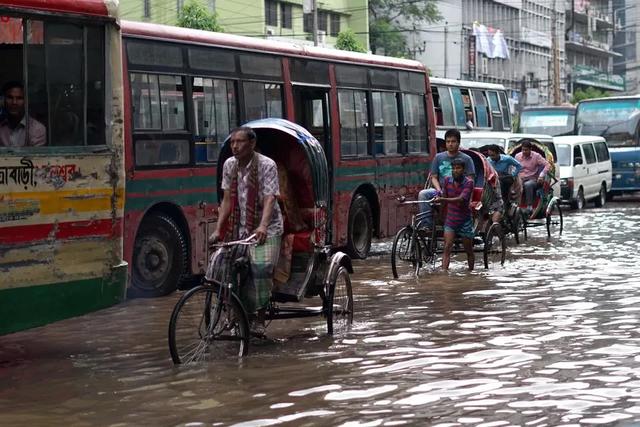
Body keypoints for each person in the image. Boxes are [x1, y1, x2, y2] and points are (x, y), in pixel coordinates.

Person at [210, 126, 283, 336]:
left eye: (240, 142)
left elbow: (270, 198)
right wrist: (218, 230)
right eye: (232, 142)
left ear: (251, 144)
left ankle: (259, 317)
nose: (235, 146)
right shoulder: (229, 165)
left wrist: (262, 225)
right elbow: (226, 200)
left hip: (268, 228)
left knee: (260, 268)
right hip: (239, 228)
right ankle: (233, 313)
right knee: (222, 267)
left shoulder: (267, 165)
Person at [417, 129, 475, 228]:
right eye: (448, 142)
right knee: (423, 194)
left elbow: (471, 179)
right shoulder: (438, 157)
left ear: (458, 142)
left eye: (453, 141)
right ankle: (427, 225)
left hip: (458, 192)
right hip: (440, 190)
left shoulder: (467, 159)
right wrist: (439, 190)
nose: (450, 144)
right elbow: (434, 177)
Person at [434, 158, 475, 271]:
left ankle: (471, 272)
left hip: (464, 220)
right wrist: (441, 215)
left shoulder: (469, 183)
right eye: (453, 168)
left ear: (463, 170)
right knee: (447, 247)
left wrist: (442, 199)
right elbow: (444, 199)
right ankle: (444, 273)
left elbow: (461, 199)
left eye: (458, 168)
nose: (455, 170)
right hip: (451, 219)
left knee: (468, 249)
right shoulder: (447, 180)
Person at [0, 81, 46, 147]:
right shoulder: (1, 127)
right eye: (10, 97)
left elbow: (34, 156)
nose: (14, 102)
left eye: (19, 98)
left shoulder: (37, 129)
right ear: (3, 101)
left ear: (26, 102)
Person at [514, 139, 550, 215]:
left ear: (530, 149)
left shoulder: (536, 156)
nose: (524, 152)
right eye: (523, 150)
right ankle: (513, 205)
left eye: (526, 150)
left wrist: (541, 175)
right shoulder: (517, 156)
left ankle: (529, 206)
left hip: (533, 179)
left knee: (528, 185)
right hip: (520, 178)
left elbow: (547, 165)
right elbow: (513, 167)